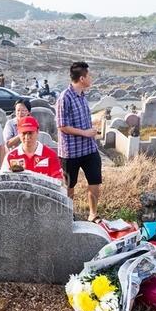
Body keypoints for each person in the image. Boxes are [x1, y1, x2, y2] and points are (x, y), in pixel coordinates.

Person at [56, 61, 102, 223]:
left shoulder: (82, 95)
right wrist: (85, 133)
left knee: (95, 180)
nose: (91, 78)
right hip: (71, 151)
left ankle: (93, 213)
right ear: (82, 78)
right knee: (69, 186)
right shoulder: (64, 98)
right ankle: (67, 214)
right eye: (89, 76)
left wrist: (92, 130)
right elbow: (62, 126)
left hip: (89, 148)